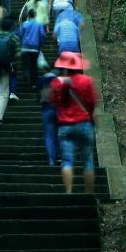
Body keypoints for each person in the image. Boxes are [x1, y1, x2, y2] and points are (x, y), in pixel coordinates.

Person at [49, 52, 98, 194]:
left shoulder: (57, 82)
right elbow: (92, 103)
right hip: (84, 124)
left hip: (65, 126)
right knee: (88, 161)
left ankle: (69, 192)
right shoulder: (87, 81)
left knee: (67, 161)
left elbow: (54, 102)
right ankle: (89, 193)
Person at [38, 64, 59, 166]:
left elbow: (38, 96)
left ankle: (51, 160)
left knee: (49, 135)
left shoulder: (42, 81)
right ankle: (58, 155)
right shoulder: (58, 81)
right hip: (58, 110)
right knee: (58, 134)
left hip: (46, 109)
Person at [19, 15, 46, 89]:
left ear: (28, 16)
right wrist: (40, 44)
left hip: (24, 48)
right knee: (33, 66)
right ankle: (33, 83)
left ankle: (25, 81)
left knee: (25, 65)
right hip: (35, 49)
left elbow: (20, 34)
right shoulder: (39, 24)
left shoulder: (24, 24)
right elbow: (43, 35)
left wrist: (21, 43)